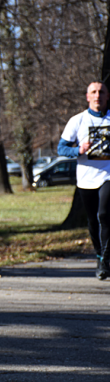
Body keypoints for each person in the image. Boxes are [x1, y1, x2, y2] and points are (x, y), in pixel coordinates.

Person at [58, 81, 110, 280]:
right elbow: (61, 149)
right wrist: (78, 150)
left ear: (107, 96)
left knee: (104, 214)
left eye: (102, 92)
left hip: (108, 175)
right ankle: (99, 255)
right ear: (88, 97)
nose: (98, 95)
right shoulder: (77, 120)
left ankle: (105, 260)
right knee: (92, 220)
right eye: (94, 92)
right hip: (86, 178)